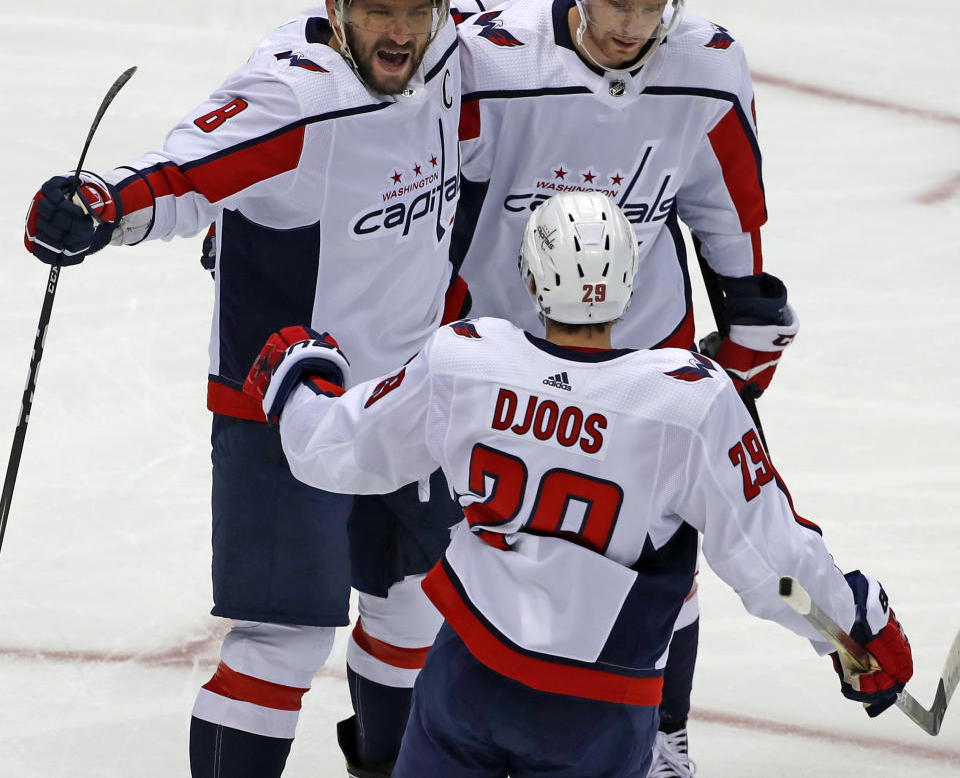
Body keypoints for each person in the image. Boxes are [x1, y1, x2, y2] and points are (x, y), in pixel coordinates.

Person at [23, 0, 497, 778]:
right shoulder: (299, 93)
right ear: (336, 5)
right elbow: (186, 173)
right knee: (285, 638)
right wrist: (97, 205)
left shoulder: (450, 45)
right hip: (289, 402)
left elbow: (510, 12)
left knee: (414, 609)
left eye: (413, 8)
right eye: (375, 8)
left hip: (413, 391)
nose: (398, 29)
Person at [244, 192, 912, 778]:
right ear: (629, 279)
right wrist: (855, 630)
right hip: (599, 707)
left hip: (466, 679)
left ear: (532, 278)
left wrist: (299, 381)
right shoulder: (687, 400)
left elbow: (336, 450)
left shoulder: (468, 359)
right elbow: (775, 564)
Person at [450, 0, 800, 776]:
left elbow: (731, 210)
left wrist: (747, 328)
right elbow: (430, 188)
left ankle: (664, 733)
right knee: (481, 538)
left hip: (640, 345)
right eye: (615, 2)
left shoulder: (708, 68)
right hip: (505, 343)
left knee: (662, 550)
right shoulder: (496, 58)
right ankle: (456, 720)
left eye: (651, 6)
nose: (631, 25)